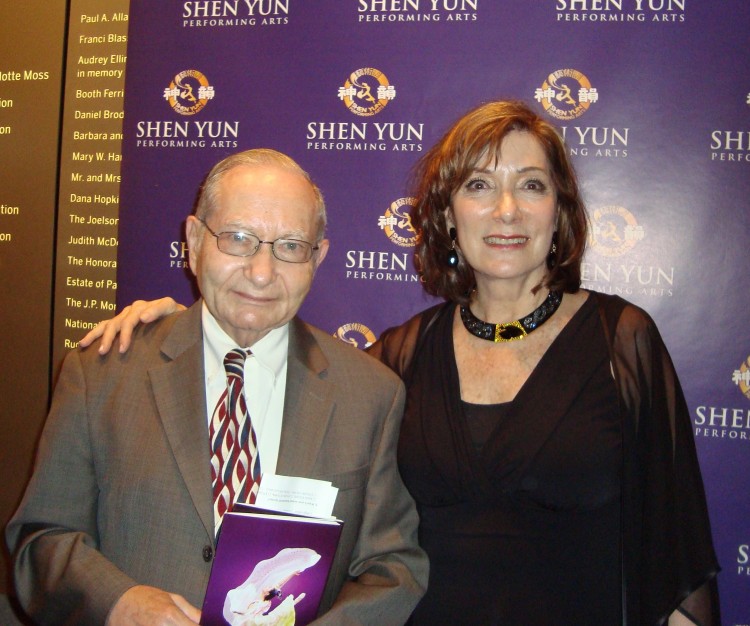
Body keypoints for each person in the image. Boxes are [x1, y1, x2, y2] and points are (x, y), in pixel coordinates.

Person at [78, 101, 720, 625]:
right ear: (447, 213)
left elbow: (676, 550)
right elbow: (282, 377)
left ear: (560, 212)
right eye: (478, 185)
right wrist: (188, 325)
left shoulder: (621, 341)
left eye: (531, 185)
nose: (506, 210)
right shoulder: (400, 358)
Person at [6, 149, 428, 625]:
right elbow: (40, 539)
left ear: (318, 257)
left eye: (290, 246)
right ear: (193, 239)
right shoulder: (101, 374)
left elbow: (392, 568)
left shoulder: (370, 395)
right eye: (239, 238)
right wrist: (118, 603)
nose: (262, 272)